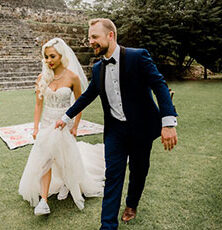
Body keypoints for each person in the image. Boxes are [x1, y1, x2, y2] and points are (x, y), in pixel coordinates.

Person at [55, 18, 178, 229]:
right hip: (115, 131)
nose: (90, 41)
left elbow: (159, 84)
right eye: (89, 37)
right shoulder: (96, 69)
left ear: (110, 35)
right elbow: (87, 95)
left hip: (141, 129)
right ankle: (108, 225)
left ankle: (132, 204)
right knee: (113, 175)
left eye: (94, 37)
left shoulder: (137, 57)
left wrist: (168, 123)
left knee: (139, 171)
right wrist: (66, 117)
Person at [18, 38, 105, 216]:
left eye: (52, 56)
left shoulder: (72, 77)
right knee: (45, 160)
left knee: (65, 158)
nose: (49, 60)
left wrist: (75, 127)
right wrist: (35, 128)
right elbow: (38, 105)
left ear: (61, 56)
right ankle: (43, 200)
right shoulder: (42, 78)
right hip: (47, 124)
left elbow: (81, 103)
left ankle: (67, 183)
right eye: (46, 57)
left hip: (66, 123)